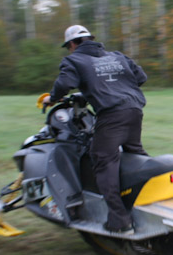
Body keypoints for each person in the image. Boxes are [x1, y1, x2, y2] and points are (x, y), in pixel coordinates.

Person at [42, 25, 148, 234]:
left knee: (102, 159)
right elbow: (141, 77)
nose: (70, 50)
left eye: (69, 47)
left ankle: (120, 220)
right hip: (134, 110)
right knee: (134, 154)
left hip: (112, 115)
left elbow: (64, 84)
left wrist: (52, 98)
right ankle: (145, 200)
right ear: (90, 39)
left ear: (73, 44)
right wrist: (107, 89)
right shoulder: (117, 56)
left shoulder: (74, 60)